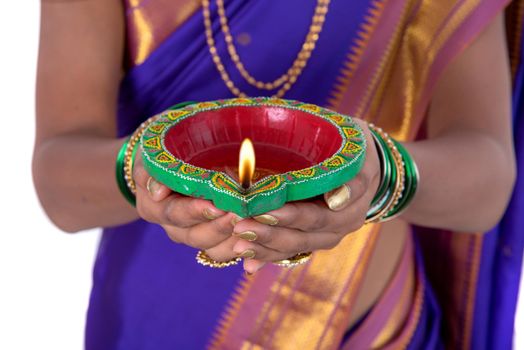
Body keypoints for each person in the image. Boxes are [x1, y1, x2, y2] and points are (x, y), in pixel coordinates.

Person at [33, 0, 523, 348]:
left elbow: (486, 182)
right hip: (156, 324)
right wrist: (140, 171)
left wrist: (382, 174)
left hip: (370, 328)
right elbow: (59, 183)